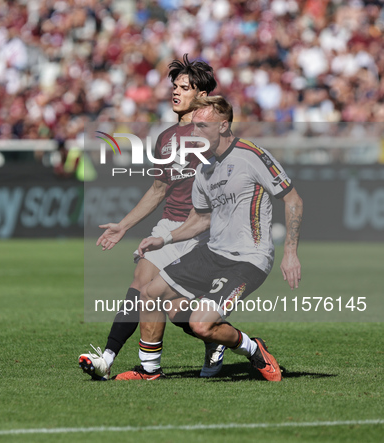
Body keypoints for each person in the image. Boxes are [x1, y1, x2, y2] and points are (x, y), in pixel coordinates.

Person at [114, 96, 303, 382]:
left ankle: (254, 349)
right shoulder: (203, 169)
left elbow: (293, 199)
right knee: (150, 294)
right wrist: (164, 239)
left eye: (202, 126)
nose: (194, 133)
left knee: (200, 325)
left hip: (248, 259)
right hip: (212, 254)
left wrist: (290, 252)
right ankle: (149, 370)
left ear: (224, 126)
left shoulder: (252, 155)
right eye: (193, 127)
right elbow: (200, 220)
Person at [79, 54, 225, 381]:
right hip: (168, 226)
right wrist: (123, 226)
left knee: (171, 309)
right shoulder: (166, 137)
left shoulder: (215, 135)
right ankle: (110, 359)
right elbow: (158, 190)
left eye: (185, 88)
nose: (176, 92)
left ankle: (223, 338)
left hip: (199, 231)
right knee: (141, 288)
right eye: (175, 86)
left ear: (202, 95)